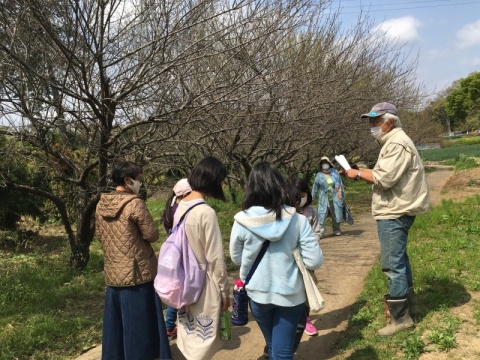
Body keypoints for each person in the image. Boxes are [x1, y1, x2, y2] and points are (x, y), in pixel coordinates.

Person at [344, 102, 430, 336]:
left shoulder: (397, 143)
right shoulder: (392, 142)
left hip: (395, 211)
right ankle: (410, 309)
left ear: (390, 122)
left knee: (393, 265)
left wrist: (358, 173)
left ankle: (400, 318)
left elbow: (385, 178)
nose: (372, 126)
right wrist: (358, 171)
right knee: (400, 260)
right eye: (370, 121)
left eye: (376, 121)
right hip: (396, 209)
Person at [230, 162, 323, 360]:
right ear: (279, 185)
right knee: (282, 351)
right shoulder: (297, 219)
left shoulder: (241, 221)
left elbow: (237, 258)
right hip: (290, 295)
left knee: (274, 345)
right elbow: (314, 261)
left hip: (257, 294)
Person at [95, 160, 171, 360]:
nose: (140, 183)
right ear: (127, 180)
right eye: (138, 179)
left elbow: (99, 236)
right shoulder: (135, 203)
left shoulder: (100, 204)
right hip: (137, 275)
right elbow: (152, 235)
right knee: (140, 327)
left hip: (113, 274)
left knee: (116, 327)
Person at [173, 156, 230, 360]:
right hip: (204, 283)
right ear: (213, 180)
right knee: (203, 341)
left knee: (190, 333)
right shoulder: (206, 212)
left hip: (184, 279)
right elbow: (215, 258)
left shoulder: (180, 207)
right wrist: (224, 290)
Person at [290, 177, 323, 337]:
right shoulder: (286, 212)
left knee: (308, 287)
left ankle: (306, 319)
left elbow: (317, 231)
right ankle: (296, 319)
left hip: (307, 258)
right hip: (290, 259)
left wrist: (310, 244)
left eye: (303, 195)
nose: (300, 200)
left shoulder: (311, 212)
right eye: (297, 196)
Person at [160, 178, 192, 338]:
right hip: (184, 253)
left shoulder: (169, 207)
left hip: (172, 252)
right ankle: (176, 323)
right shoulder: (184, 208)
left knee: (176, 288)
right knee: (183, 288)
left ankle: (169, 325)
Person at [312, 156, 346, 236]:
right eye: (323, 163)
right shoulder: (319, 175)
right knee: (322, 214)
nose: (324, 164)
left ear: (329, 163)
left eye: (326, 162)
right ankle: (321, 232)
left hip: (335, 196)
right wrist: (312, 197)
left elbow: (340, 184)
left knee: (336, 213)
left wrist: (342, 196)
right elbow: (315, 187)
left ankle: (336, 229)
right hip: (324, 198)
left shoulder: (334, 173)